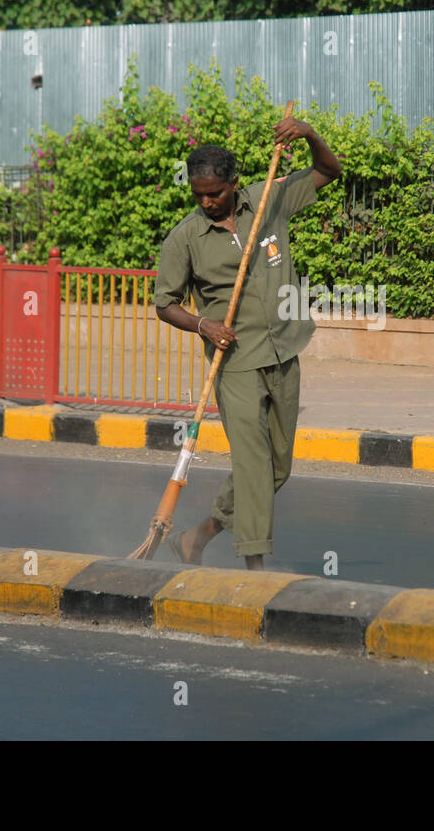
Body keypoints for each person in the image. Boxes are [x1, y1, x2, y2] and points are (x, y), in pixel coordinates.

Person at [154, 116, 342, 570]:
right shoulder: (185, 238)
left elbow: (329, 172)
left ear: (234, 185)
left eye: (215, 193)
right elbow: (165, 303)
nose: (207, 202)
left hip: (284, 348)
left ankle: (198, 536)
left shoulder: (267, 201)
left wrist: (310, 134)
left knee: (278, 466)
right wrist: (204, 326)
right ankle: (255, 568)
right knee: (253, 464)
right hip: (234, 362)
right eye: (198, 194)